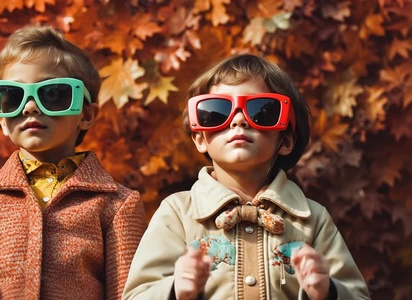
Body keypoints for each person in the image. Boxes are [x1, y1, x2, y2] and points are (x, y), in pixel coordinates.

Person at [0, 25, 147, 299]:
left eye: (53, 94)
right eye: (12, 97)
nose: (30, 107)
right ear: (1, 119)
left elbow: (129, 294)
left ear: (86, 115)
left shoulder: (117, 204)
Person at [122, 54, 370, 300]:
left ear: (286, 140)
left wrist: (329, 292)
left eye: (262, 111)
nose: (239, 119)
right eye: (217, 112)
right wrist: (175, 291)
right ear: (200, 139)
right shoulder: (178, 213)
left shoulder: (312, 220)